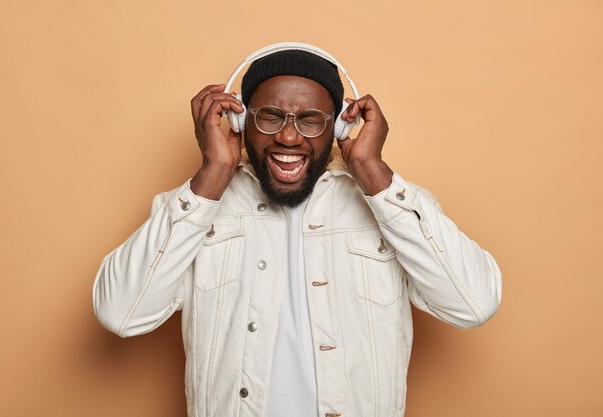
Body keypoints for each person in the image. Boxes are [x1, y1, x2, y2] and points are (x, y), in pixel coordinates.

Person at [93, 43, 502, 417]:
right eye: (270, 116)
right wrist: (213, 173)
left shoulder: (388, 206)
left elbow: (473, 303)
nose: (288, 136)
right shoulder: (196, 207)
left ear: (338, 129)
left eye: (310, 120)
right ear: (240, 120)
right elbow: (121, 314)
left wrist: (373, 172)